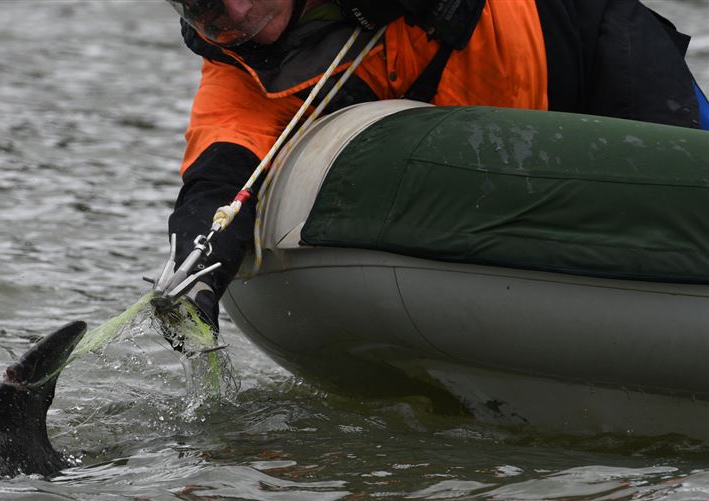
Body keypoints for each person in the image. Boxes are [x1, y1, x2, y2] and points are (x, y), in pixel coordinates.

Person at [155, 0, 709, 345]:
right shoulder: (241, 73)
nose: (232, 12)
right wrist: (193, 273)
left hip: (584, 40)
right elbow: (217, 177)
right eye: (204, 5)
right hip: (493, 163)